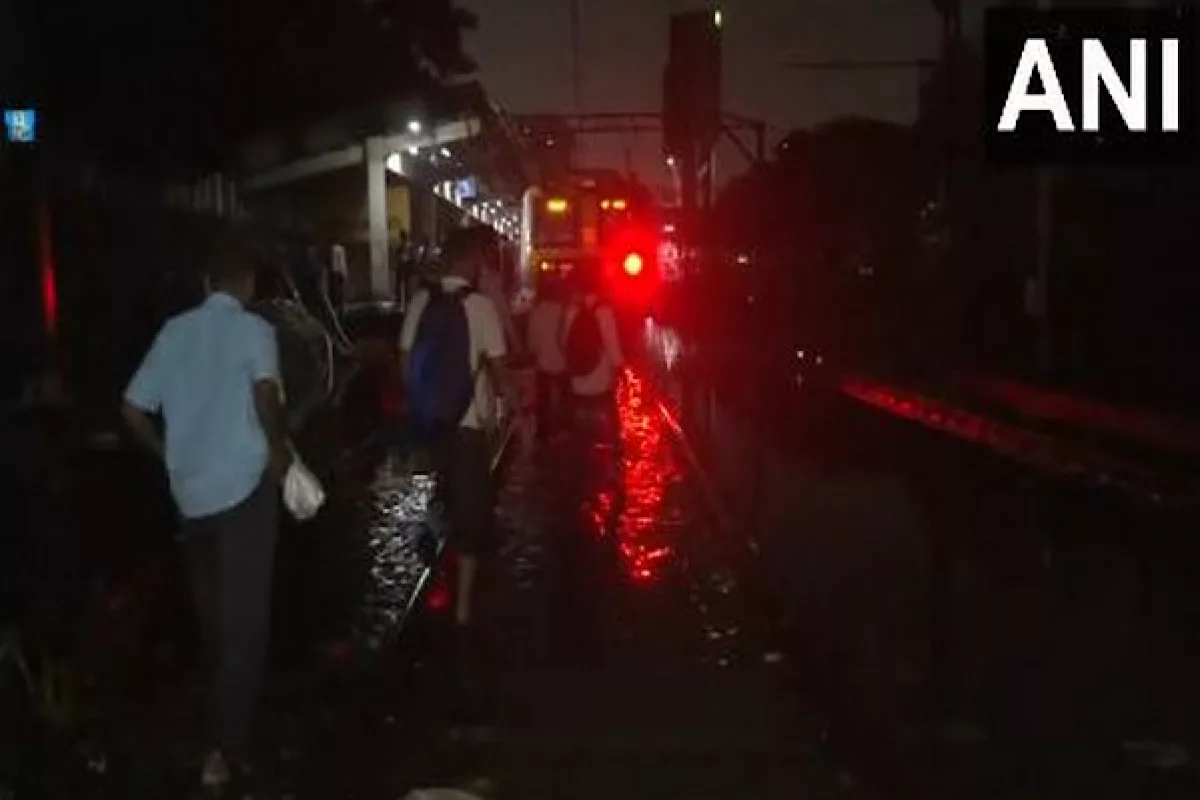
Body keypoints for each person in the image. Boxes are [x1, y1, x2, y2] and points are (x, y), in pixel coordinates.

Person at [121, 236, 291, 793]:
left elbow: (131, 410)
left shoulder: (174, 332)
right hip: (243, 490)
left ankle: (220, 712)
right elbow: (267, 397)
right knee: (246, 623)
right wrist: (281, 455)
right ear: (245, 286)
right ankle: (225, 748)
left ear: (205, 285)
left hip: (190, 495)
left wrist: (166, 450)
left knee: (213, 617)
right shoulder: (254, 331)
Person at [399, 225, 518, 721]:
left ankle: (434, 566)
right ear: (471, 264)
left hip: (431, 425)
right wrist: (516, 408)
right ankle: (463, 607)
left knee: (442, 497)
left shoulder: (420, 303)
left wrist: (423, 405)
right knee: (473, 516)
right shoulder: (479, 307)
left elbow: (405, 361)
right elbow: (498, 369)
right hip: (469, 428)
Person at [560, 259, 624, 434]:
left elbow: (563, 342)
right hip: (601, 382)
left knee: (580, 433)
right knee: (606, 432)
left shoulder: (571, 309)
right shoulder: (604, 311)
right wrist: (619, 371)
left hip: (577, 381)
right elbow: (613, 348)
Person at [526, 273, 568, 441]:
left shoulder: (536, 312)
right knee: (563, 402)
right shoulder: (565, 309)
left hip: (542, 365)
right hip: (562, 364)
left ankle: (543, 435)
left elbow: (532, 342)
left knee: (542, 402)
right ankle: (561, 431)